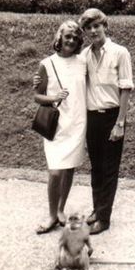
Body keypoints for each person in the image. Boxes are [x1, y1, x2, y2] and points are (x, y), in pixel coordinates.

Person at [79, 8, 134, 235]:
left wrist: (120, 123)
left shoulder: (120, 52)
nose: (93, 31)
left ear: (105, 26)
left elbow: (126, 88)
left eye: (96, 26)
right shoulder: (84, 55)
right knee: (96, 168)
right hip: (92, 118)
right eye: (88, 27)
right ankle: (96, 209)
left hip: (113, 116)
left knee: (110, 170)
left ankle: (104, 218)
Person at [33, 20, 86, 234]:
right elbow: (37, 96)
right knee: (55, 172)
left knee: (69, 168)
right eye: (67, 37)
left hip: (78, 122)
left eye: (75, 38)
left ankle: (61, 210)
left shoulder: (83, 62)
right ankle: (51, 214)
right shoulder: (46, 63)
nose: (71, 41)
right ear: (59, 38)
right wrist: (53, 97)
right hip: (56, 124)